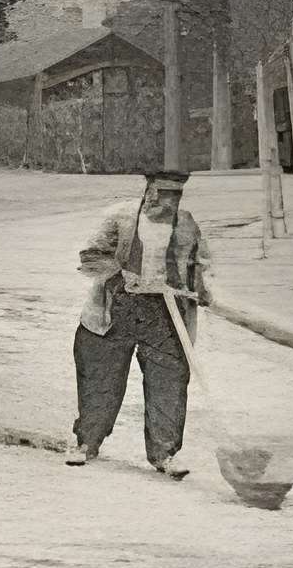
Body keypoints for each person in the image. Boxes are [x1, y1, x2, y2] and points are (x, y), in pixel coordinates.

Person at [67, 169, 207, 475]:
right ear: (149, 191)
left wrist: (199, 289)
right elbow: (89, 257)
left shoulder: (185, 224)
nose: (167, 201)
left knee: (169, 380)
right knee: (100, 379)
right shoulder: (120, 218)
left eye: (175, 195)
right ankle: (86, 443)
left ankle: (165, 454)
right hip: (114, 309)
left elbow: (200, 264)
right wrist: (120, 273)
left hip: (164, 315)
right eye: (162, 193)